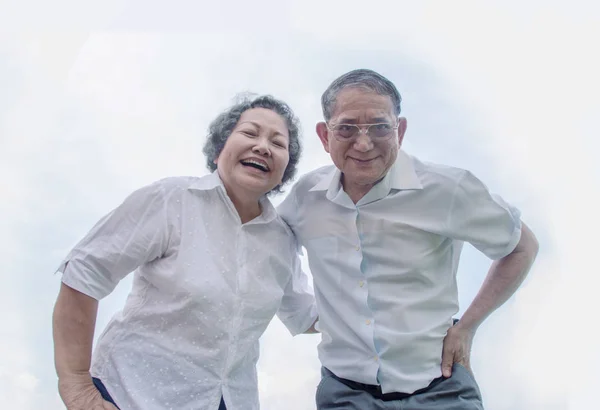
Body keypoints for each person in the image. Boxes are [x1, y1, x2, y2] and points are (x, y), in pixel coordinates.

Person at [278, 69, 539, 409]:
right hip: (346, 392)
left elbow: (521, 247)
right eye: (346, 128)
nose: (363, 142)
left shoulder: (447, 189)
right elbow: (269, 248)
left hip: (440, 387)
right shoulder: (306, 196)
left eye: (379, 126)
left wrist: (467, 327)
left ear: (399, 130)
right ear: (325, 136)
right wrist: (303, 314)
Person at [52, 95, 318, 410]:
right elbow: (85, 271)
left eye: (278, 143)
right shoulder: (172, 200)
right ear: (221, 148)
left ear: (285, 168)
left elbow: (306, 316)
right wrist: (78, 389)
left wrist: (380, 293)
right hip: (130, 395)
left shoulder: (282, 240)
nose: (263, 147)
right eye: (250, 133)